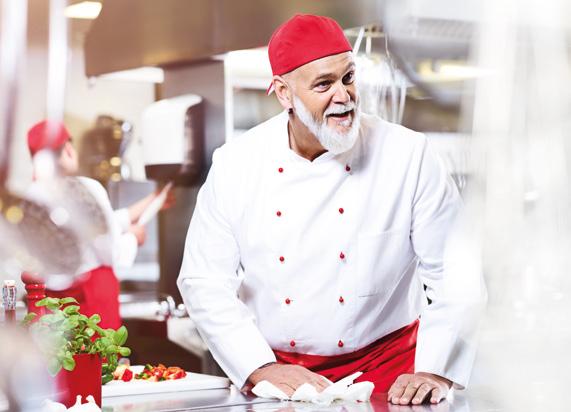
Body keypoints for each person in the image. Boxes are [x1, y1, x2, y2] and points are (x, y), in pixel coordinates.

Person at [177, 14, 486, 406]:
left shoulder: (408, 155)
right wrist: (258, 367)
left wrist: (435, 369)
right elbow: (204, 280)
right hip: (281, 377)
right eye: (323, 84)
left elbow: (456, 272)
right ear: (284, 94)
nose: (343, 95)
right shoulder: (237, 165)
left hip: (391, 374)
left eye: (348, 78)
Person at [26, 119, 172, 329]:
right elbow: (111, 253)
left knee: (65, 360)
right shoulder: (85, 189)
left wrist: (153, 200)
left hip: (53, 308)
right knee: (96, 359)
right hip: (91, 304)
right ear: (67, 149)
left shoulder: (31, 196)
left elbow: (101, 224)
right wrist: (132, 237)